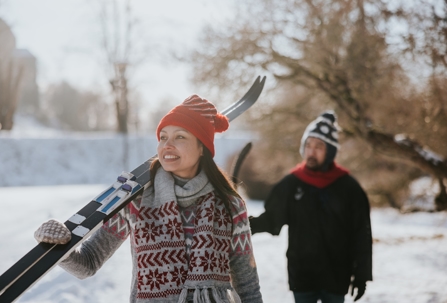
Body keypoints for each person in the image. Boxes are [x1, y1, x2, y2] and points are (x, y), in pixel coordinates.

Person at [34, 95, 263, 303]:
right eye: (163, 137)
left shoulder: (230, 205)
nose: (167, 145)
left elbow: (247, 285)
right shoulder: (136, 201)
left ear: (202, 148)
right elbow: (89, 262)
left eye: (180, 137)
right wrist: (59, 248)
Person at [249, 111, 372, 303]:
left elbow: (361, 234)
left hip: (337, 275)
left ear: (330, 150)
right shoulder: (291, 184)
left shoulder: (348, 187)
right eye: (308, 145)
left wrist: (362, 275)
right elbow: (272, 219)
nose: (311, 152)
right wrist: (243, 225)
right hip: (303, 275)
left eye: (319, 146)